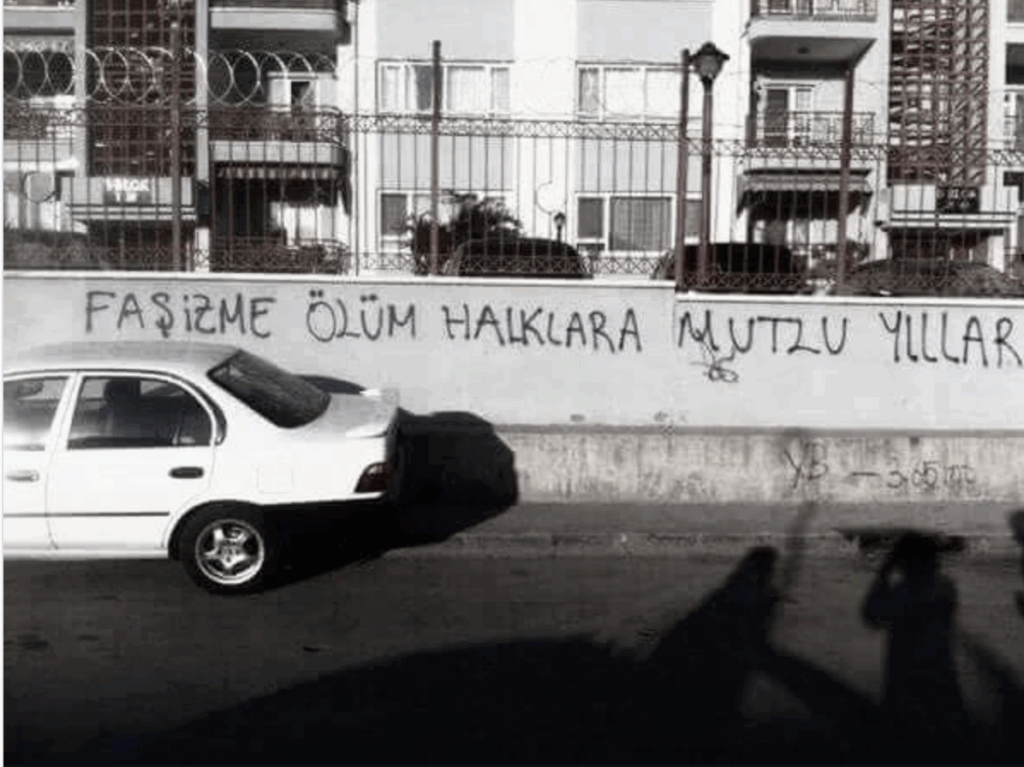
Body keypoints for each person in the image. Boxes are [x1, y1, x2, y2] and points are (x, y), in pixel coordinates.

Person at [861, 532, 971, 759]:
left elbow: (871, 616)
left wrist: (884, 571)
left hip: (906, 679)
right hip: (941, 675)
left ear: (904, 562)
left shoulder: (902, 593)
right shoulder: (946, 587)